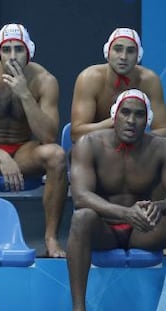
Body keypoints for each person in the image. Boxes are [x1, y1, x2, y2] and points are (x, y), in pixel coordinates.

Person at [0, 23, 68, 258]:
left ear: (29, 51)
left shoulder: (45, 81)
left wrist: (25, 94)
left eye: (19, 49)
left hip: (24, 151)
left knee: (56, 156)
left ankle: (50, 238)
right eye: (7, 50)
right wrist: (1, 156)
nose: (13, 56)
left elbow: (48, 136)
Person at [67, 89, 166, 311]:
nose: (131, 120)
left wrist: (156, 207)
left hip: (144, 230)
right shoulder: (88, 144)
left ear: (148, 119)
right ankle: (78, 308)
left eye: (139, 114)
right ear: (114, 115)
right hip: (105, 230)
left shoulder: (161, 148)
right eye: (125, 113)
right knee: (81, 218)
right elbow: (81, 197)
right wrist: (125, 213)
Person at [71, 27, 166, 143]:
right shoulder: (89, 79)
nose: (123, 57)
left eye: (130, 51)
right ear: (107, 52)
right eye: (118, 49)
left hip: (137, 151)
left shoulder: (150, 81)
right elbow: (76, 134)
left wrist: (136, 140)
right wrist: (115, 121)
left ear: (139, 56)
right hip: (98, 147)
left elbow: (163, 131)